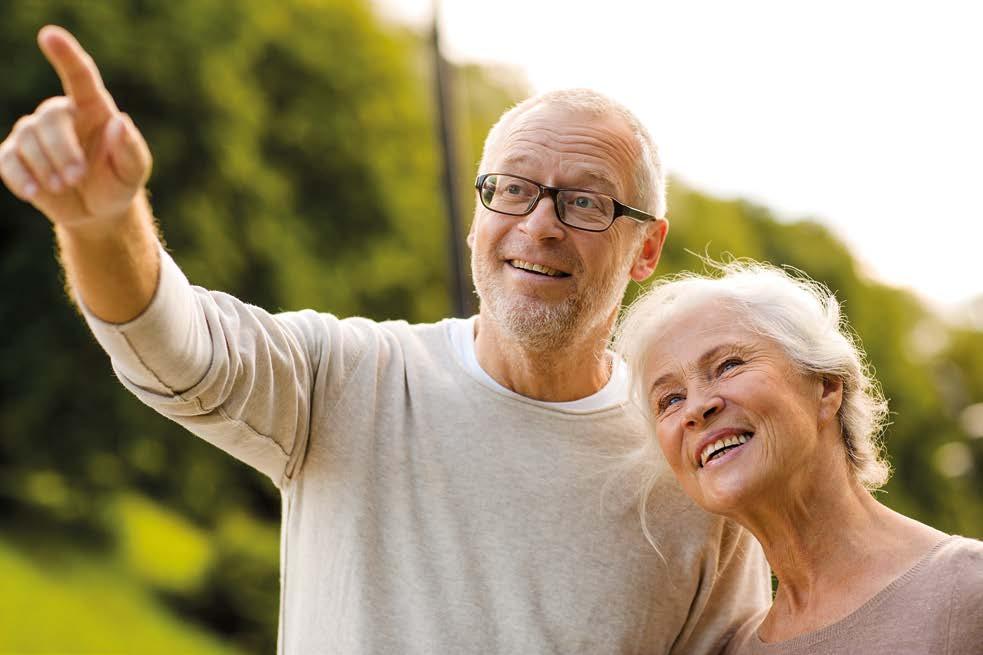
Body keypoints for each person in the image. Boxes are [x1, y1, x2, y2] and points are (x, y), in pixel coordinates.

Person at [0, 25, 771, 654]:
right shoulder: (350, 377)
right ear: (478, 215)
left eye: (584, 202)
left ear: (645, 248)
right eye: (512, 189)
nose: (539, 224)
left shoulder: (695, 473)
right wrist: (102, 223)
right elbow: (173, 341)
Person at [614, 261, 983, 655]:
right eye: (670, 400)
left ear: (825, 386)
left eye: (728, 366)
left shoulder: (968, 590)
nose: (696, 408)